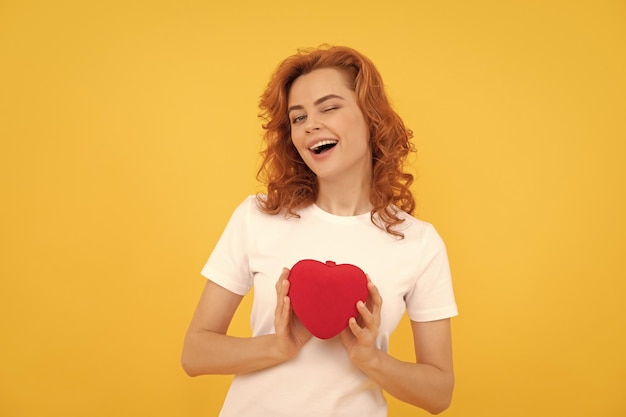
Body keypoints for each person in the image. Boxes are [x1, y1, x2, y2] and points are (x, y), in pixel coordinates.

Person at [181, 45, 458, 416]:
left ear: (370, 117)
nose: (310, 124)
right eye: (298, 118)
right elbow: (195, 353)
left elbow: (439, 392)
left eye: (329, 108)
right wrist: (282, 345)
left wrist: (369, 358)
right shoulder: (258, 217)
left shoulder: (419, 242)